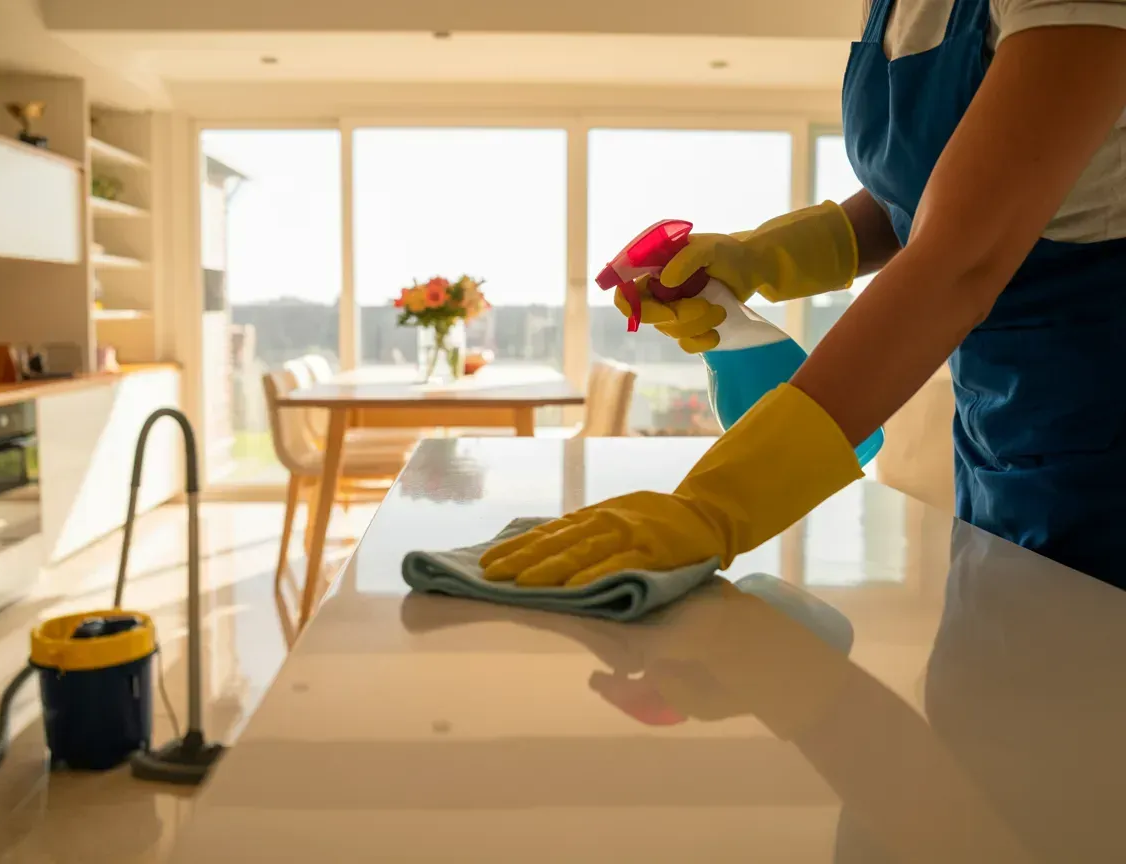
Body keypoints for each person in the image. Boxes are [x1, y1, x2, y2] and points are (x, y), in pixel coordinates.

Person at [480, 0, 1126, 590]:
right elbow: (921, 195)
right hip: (1001, 434)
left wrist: (719, 503)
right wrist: (762, 256)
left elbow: (965, 255)